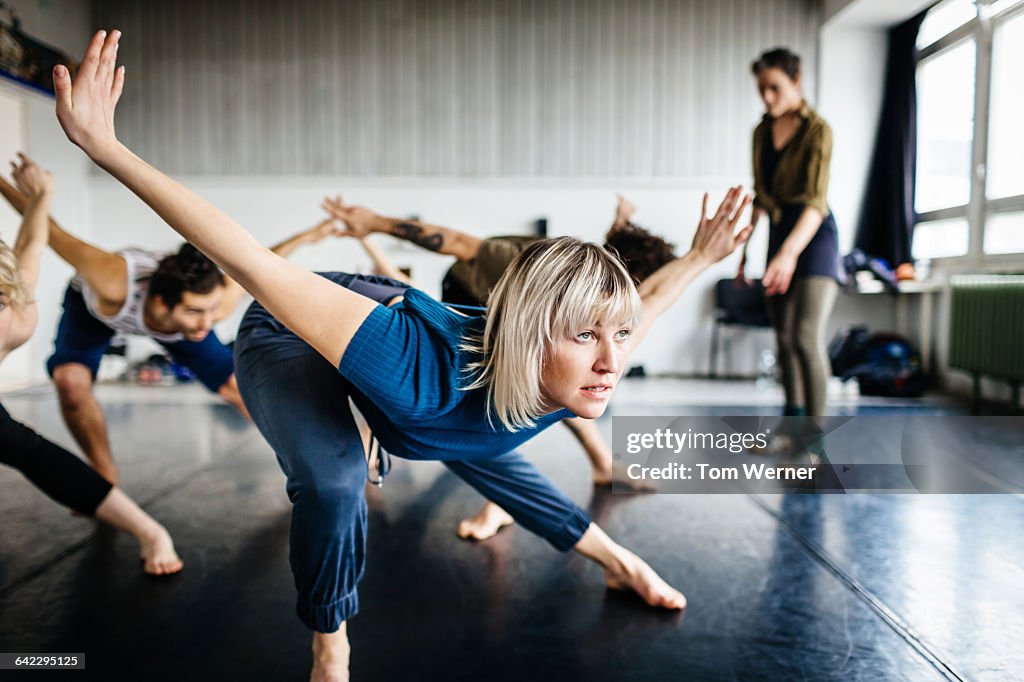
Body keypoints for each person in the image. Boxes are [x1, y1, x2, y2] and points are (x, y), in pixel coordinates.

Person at [52, 30, 752, 681]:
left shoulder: (585, 366)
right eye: (586, 338)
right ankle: (331, 642)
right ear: (535, 336)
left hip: (429, 361)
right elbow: (247, 259)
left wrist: (697, 257)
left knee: (486, 449)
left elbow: (643, 309)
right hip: (296, 331)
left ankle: (619, 562)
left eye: (619, 338)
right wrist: (107, 150)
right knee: (335, 480)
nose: (611, 362)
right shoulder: (415, 367)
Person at [321, 194, 675, 539]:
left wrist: (641, 227)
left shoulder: (604, 276)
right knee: (493, 395)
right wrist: (375, 224)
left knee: (565, 391)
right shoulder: (522, 263)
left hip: (521, 322)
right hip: (468, 308)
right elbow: (456, 241)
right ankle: (496, 501)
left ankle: (598, 464)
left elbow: (649, 289)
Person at [0, 160, 342, 484]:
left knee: (238, 388)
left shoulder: (211, 306)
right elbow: (50, 231)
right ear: (163, 302)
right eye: (196, 312)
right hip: (93, 311)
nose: (209, 323)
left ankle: (305, 464)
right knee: (71, 385)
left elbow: (266, 260)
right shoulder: (110, 278)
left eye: (210, 311)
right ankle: (104, 477)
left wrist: (310, 236)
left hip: (172, 324)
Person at [0, 153, 182, 575]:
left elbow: (30, 244)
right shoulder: (14, 306)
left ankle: (150, 530)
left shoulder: (18, 311)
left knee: (26, 448)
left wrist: (43, 194)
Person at [737, 47, 840, 422]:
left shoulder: (818, 130)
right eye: (761, 89)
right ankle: (791, 430)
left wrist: (789, 253)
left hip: (814, 236)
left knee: (804, 337)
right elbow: (761, 196)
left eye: (775, 88)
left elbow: (815, 201)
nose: (767, 97)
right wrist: (743, 252)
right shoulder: (761, 132)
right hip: (780, 235)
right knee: (782, 339)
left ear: (797, 82)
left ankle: (815, 441)